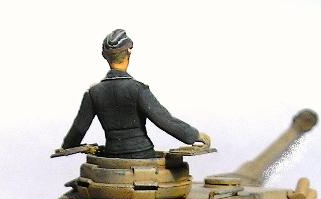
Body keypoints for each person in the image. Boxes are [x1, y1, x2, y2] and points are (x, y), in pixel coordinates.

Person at [60, 29, 210, 159]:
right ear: (128, 53)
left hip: (112, 157)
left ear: (104, 56)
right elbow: (164, 120)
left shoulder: (93, 93)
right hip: (143, 157)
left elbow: (78, 129)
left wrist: (67, 145)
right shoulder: (138, 89)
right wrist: (194, 135)